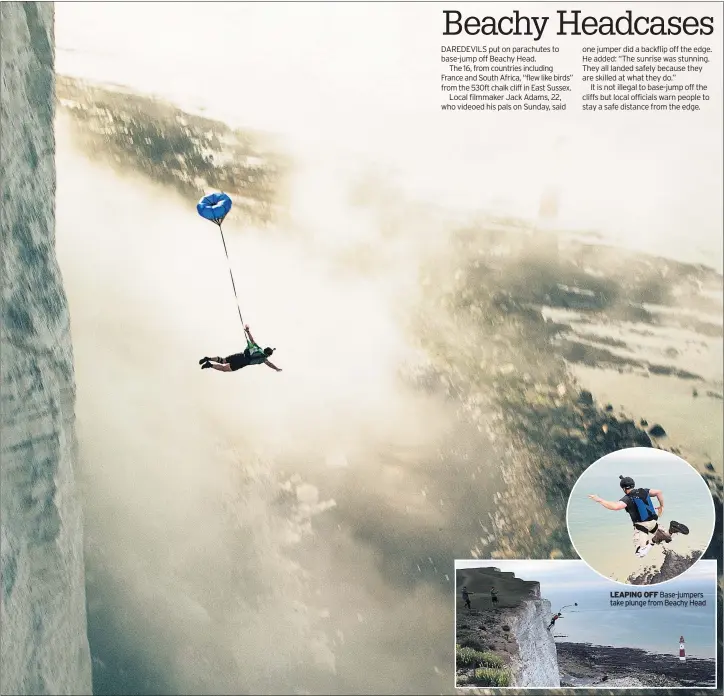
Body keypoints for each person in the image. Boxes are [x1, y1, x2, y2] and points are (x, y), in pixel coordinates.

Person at [589, 475, 688, 559]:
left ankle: (653, 540)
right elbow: (659, 492)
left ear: (623, 488)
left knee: (640, 553)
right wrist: (662, 506)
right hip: (653, 523)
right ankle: (671, 531)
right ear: (633, 485)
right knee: (668, 539)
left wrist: (600, 500)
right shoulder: (644, 491)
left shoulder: (627, 499)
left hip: (641, 527)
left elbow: (615, 507)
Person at [199, 325, 282, 373]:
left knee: (223, 360)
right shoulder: (264, 358)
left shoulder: (258, 348)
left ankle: (208, 358)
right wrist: (276, 368)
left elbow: (252, 340)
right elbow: (270, 364)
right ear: (268, 354)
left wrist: (248, 331)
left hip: (240, 355)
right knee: (225, 369)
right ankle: (210, 365)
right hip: (243, 362)